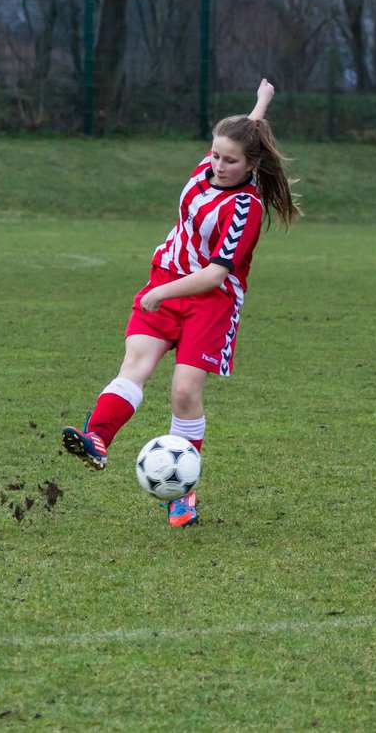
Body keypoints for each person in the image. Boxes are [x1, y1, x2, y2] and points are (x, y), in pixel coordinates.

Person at [62, 78, 302, 527]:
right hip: (166, 281)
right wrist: (261, 101)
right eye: (215, 155)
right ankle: (96, 439)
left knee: (184, 392)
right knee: (134, 365)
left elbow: (216, 273)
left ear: (251, 165)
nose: (218, 165)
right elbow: (246, 129)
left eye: (230, 161)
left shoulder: (246, 209)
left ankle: (182, 495)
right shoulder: (208, 167)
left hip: (211, 301)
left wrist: (159, 292)